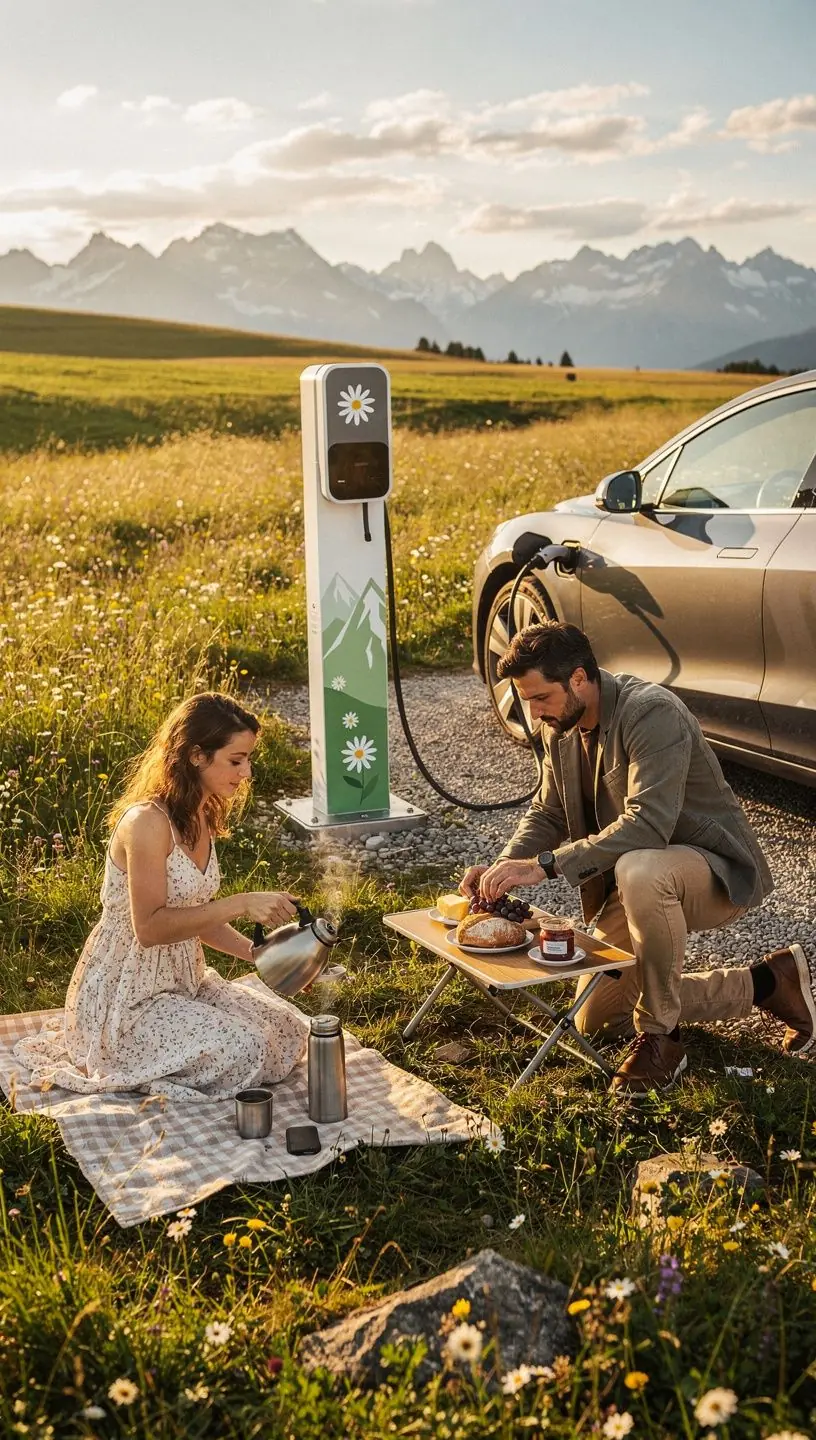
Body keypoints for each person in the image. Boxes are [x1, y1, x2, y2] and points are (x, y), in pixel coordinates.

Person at [460, 622, 816, 1095]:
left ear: (580, 678)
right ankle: (768, 984)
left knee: (639, 866)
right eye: (527, 699)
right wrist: (505, 865)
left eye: (541, 697)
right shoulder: (560, 725)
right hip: (634, 883)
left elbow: (648, 825)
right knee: (596, 1019)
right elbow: (549, 811)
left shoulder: (651, 712)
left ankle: (662, 1038)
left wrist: (544, 866)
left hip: (709, 869)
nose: (533, 711)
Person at [14, 692, 310, 1101]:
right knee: (247, 1048)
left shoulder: (201, 813)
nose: (247, 773)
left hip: (182, 980)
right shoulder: (148, 824)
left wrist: (264, 958)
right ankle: (134, 1062)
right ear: (195, 756)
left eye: (248, 759)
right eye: (236, 760)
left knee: (288, 1030)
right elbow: (150, 928)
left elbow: (195, 917)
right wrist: (240, 902)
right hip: (127, 997)